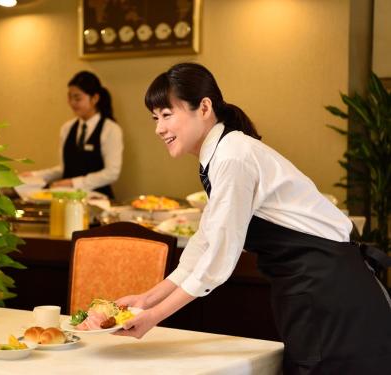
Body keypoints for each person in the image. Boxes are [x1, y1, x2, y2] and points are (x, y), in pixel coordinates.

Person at [115, 62, 391, 374]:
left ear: (204, 107)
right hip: (313, 287)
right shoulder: (221, 154)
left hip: (330, 291)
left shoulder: (233, 155)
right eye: (155, 118)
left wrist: (154, 317)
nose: (159, 128)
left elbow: (218, 259)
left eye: (167, 115)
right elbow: (204, 242)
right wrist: (146, 300)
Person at [25, 71, 123, 199]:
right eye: (70, 97)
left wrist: (73, 183)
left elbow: (111, 173)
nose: (72, 103)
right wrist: (34, 175)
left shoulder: (110, 129)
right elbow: (64, 169)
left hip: (97, 199)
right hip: (68, 198)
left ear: (95, 98)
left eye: (77, 98)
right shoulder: (67, 128)